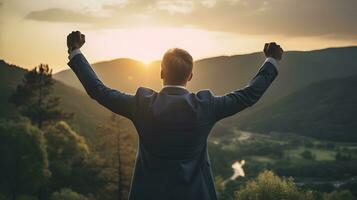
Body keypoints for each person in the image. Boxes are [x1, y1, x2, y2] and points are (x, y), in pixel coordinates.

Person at [66, 31, 283, 200]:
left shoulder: (143, 105)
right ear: (190, 76)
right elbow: (248, 96)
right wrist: (271, 61)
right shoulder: (206, 107)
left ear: (161, 73)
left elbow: (99, 91)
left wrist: (75, 51)